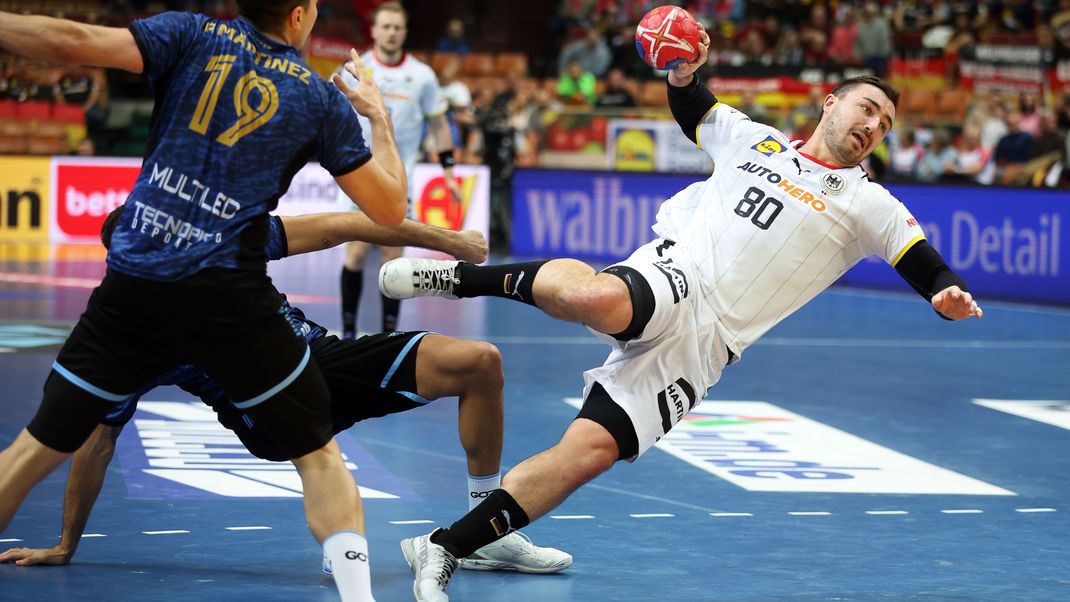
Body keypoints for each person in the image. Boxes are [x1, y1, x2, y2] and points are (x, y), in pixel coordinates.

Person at [379, 24, 985, 602]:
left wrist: (945, 294)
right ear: (830, 103)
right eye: (867, 108)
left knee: (589, 453)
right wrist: (680, 72)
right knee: (598, 299)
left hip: (708, 347)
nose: (873, 124)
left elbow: (923, 261)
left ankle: (448, 545)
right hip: (680, 271)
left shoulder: (869, 202)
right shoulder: (756, 141)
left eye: (885, 122)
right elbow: (695, 105)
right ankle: (457, 277)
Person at [0, 3, 409, 601]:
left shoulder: (190, 34)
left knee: (35, 447)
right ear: (298, 16)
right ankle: (358, 596)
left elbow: (69, 40)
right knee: (318, 454)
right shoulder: (319, 99)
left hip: (135, 286)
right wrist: (378, 117)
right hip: (229, 300)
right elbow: (390, 209)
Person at [0, 206, 571, 576]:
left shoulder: (227, 241)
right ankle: (346, 555)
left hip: (320, 358)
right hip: (260, 405)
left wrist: (447, 240)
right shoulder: (133, 335)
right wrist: (66, 543)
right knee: (315, 452)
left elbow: (347, 223)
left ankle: (482, 534)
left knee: (480, 362)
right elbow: (98, 442)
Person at [336, 1, 460, 338]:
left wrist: (448, 173)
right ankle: (348, 332)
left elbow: (438, 125)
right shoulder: (355, 69)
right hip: (357, 173)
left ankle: (388, 334)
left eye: (397, 27)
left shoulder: (422, 76)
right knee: (356, 254)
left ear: (404, 32)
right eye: (385, 26)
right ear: (374, 31)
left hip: (398, 179)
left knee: (392, 261)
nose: (391, 33)